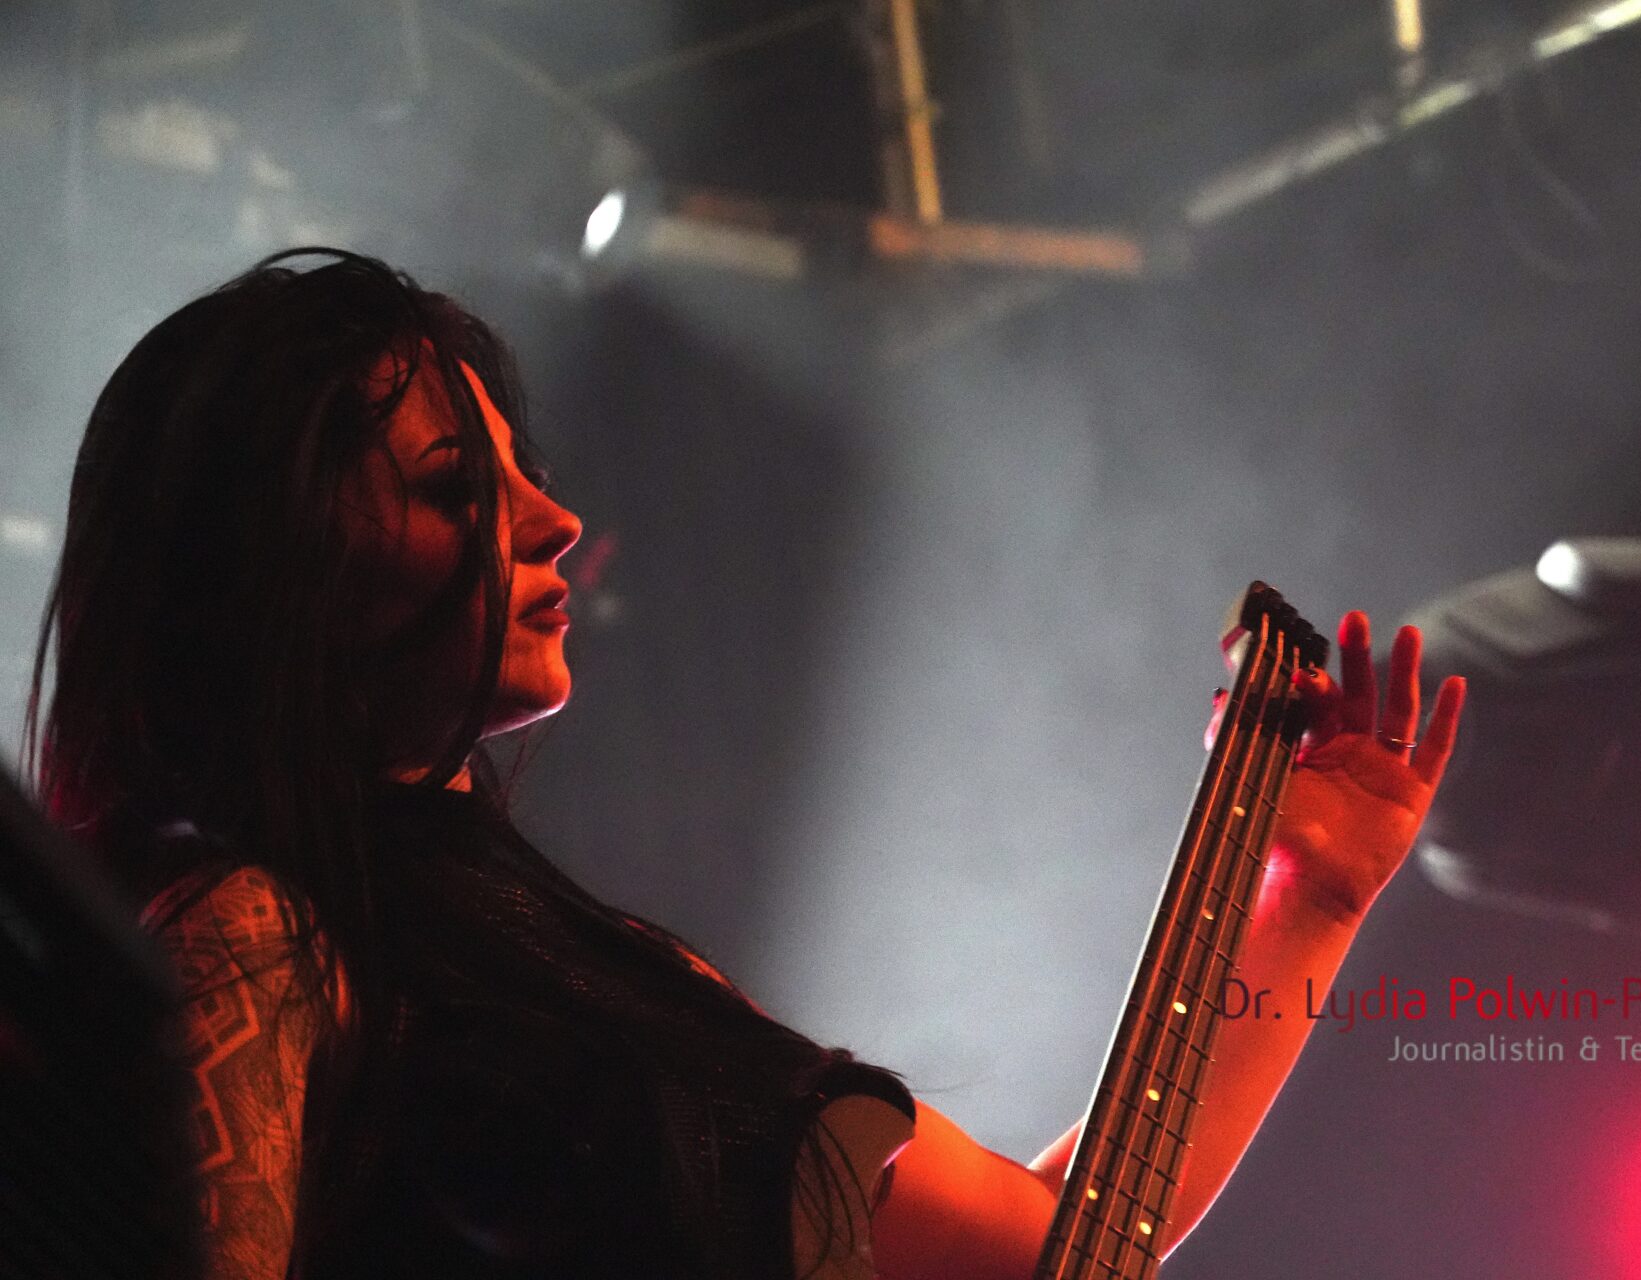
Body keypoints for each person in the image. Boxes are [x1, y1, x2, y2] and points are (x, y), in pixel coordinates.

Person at [26, 248, 1465, 1280]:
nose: (554, 521)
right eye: (458, 485)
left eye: (524, 469)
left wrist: (1307, 898)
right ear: (276, 566)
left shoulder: (611, 977)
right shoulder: (252, 937)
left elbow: (1060, 1249)